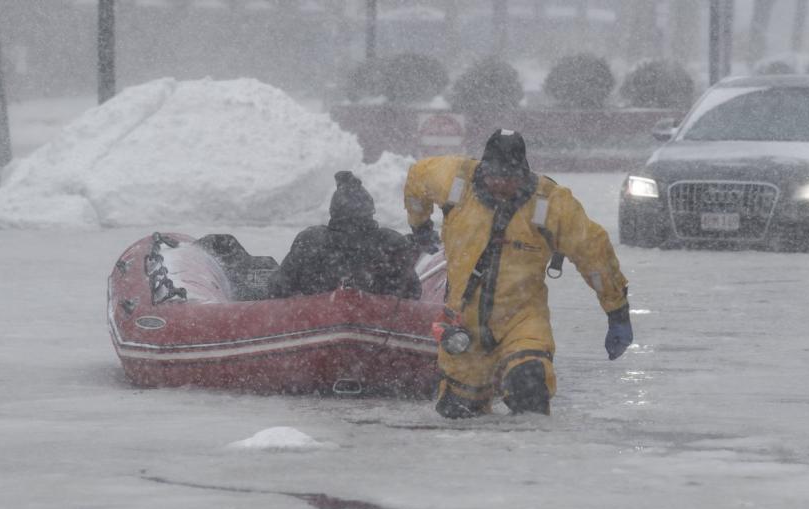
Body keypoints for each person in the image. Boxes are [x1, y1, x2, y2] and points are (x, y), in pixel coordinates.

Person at [404, 129, 633, 418]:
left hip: (522, 320)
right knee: (458, 412)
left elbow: (594, 254)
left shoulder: (551, 204)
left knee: (530, 386)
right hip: (464, 325)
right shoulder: (453, 180)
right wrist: (419, 224)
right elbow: (416, 180)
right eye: (494, 176)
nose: (500, 185)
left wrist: (617, 311)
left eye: (509, 178)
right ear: (482, 168)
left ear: (523, 173)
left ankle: (532, 459)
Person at [269, 170, 422, 300]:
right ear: (370, 211)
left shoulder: (310, 241)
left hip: (315, 322)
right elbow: (414, 292)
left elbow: (278, 288)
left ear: (333, 211)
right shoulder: (390, 243)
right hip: (377, 323)